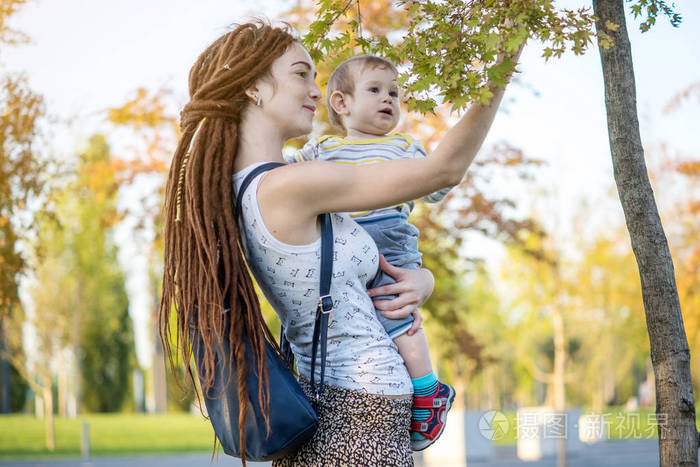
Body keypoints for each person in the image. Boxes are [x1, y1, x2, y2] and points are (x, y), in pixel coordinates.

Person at [159, 21, 519, 466]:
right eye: (300, 73)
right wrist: (504, 65)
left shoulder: (248, 187)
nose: (316, 88)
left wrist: (420, 279)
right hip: (355, 424)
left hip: (350, 418)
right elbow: (442, 171)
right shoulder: (288, 186)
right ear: (253, 88)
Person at [284, 54, 457, 450]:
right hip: (342, 242)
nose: (388, 99)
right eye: (376, 90)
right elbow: (280, 171)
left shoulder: (404, 146)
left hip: (389, 239)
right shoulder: (323, 148)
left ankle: (428, 389)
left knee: (396, 315)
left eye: (394, 93)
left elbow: (438, 184)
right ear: (341, 103)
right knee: (357, 321)